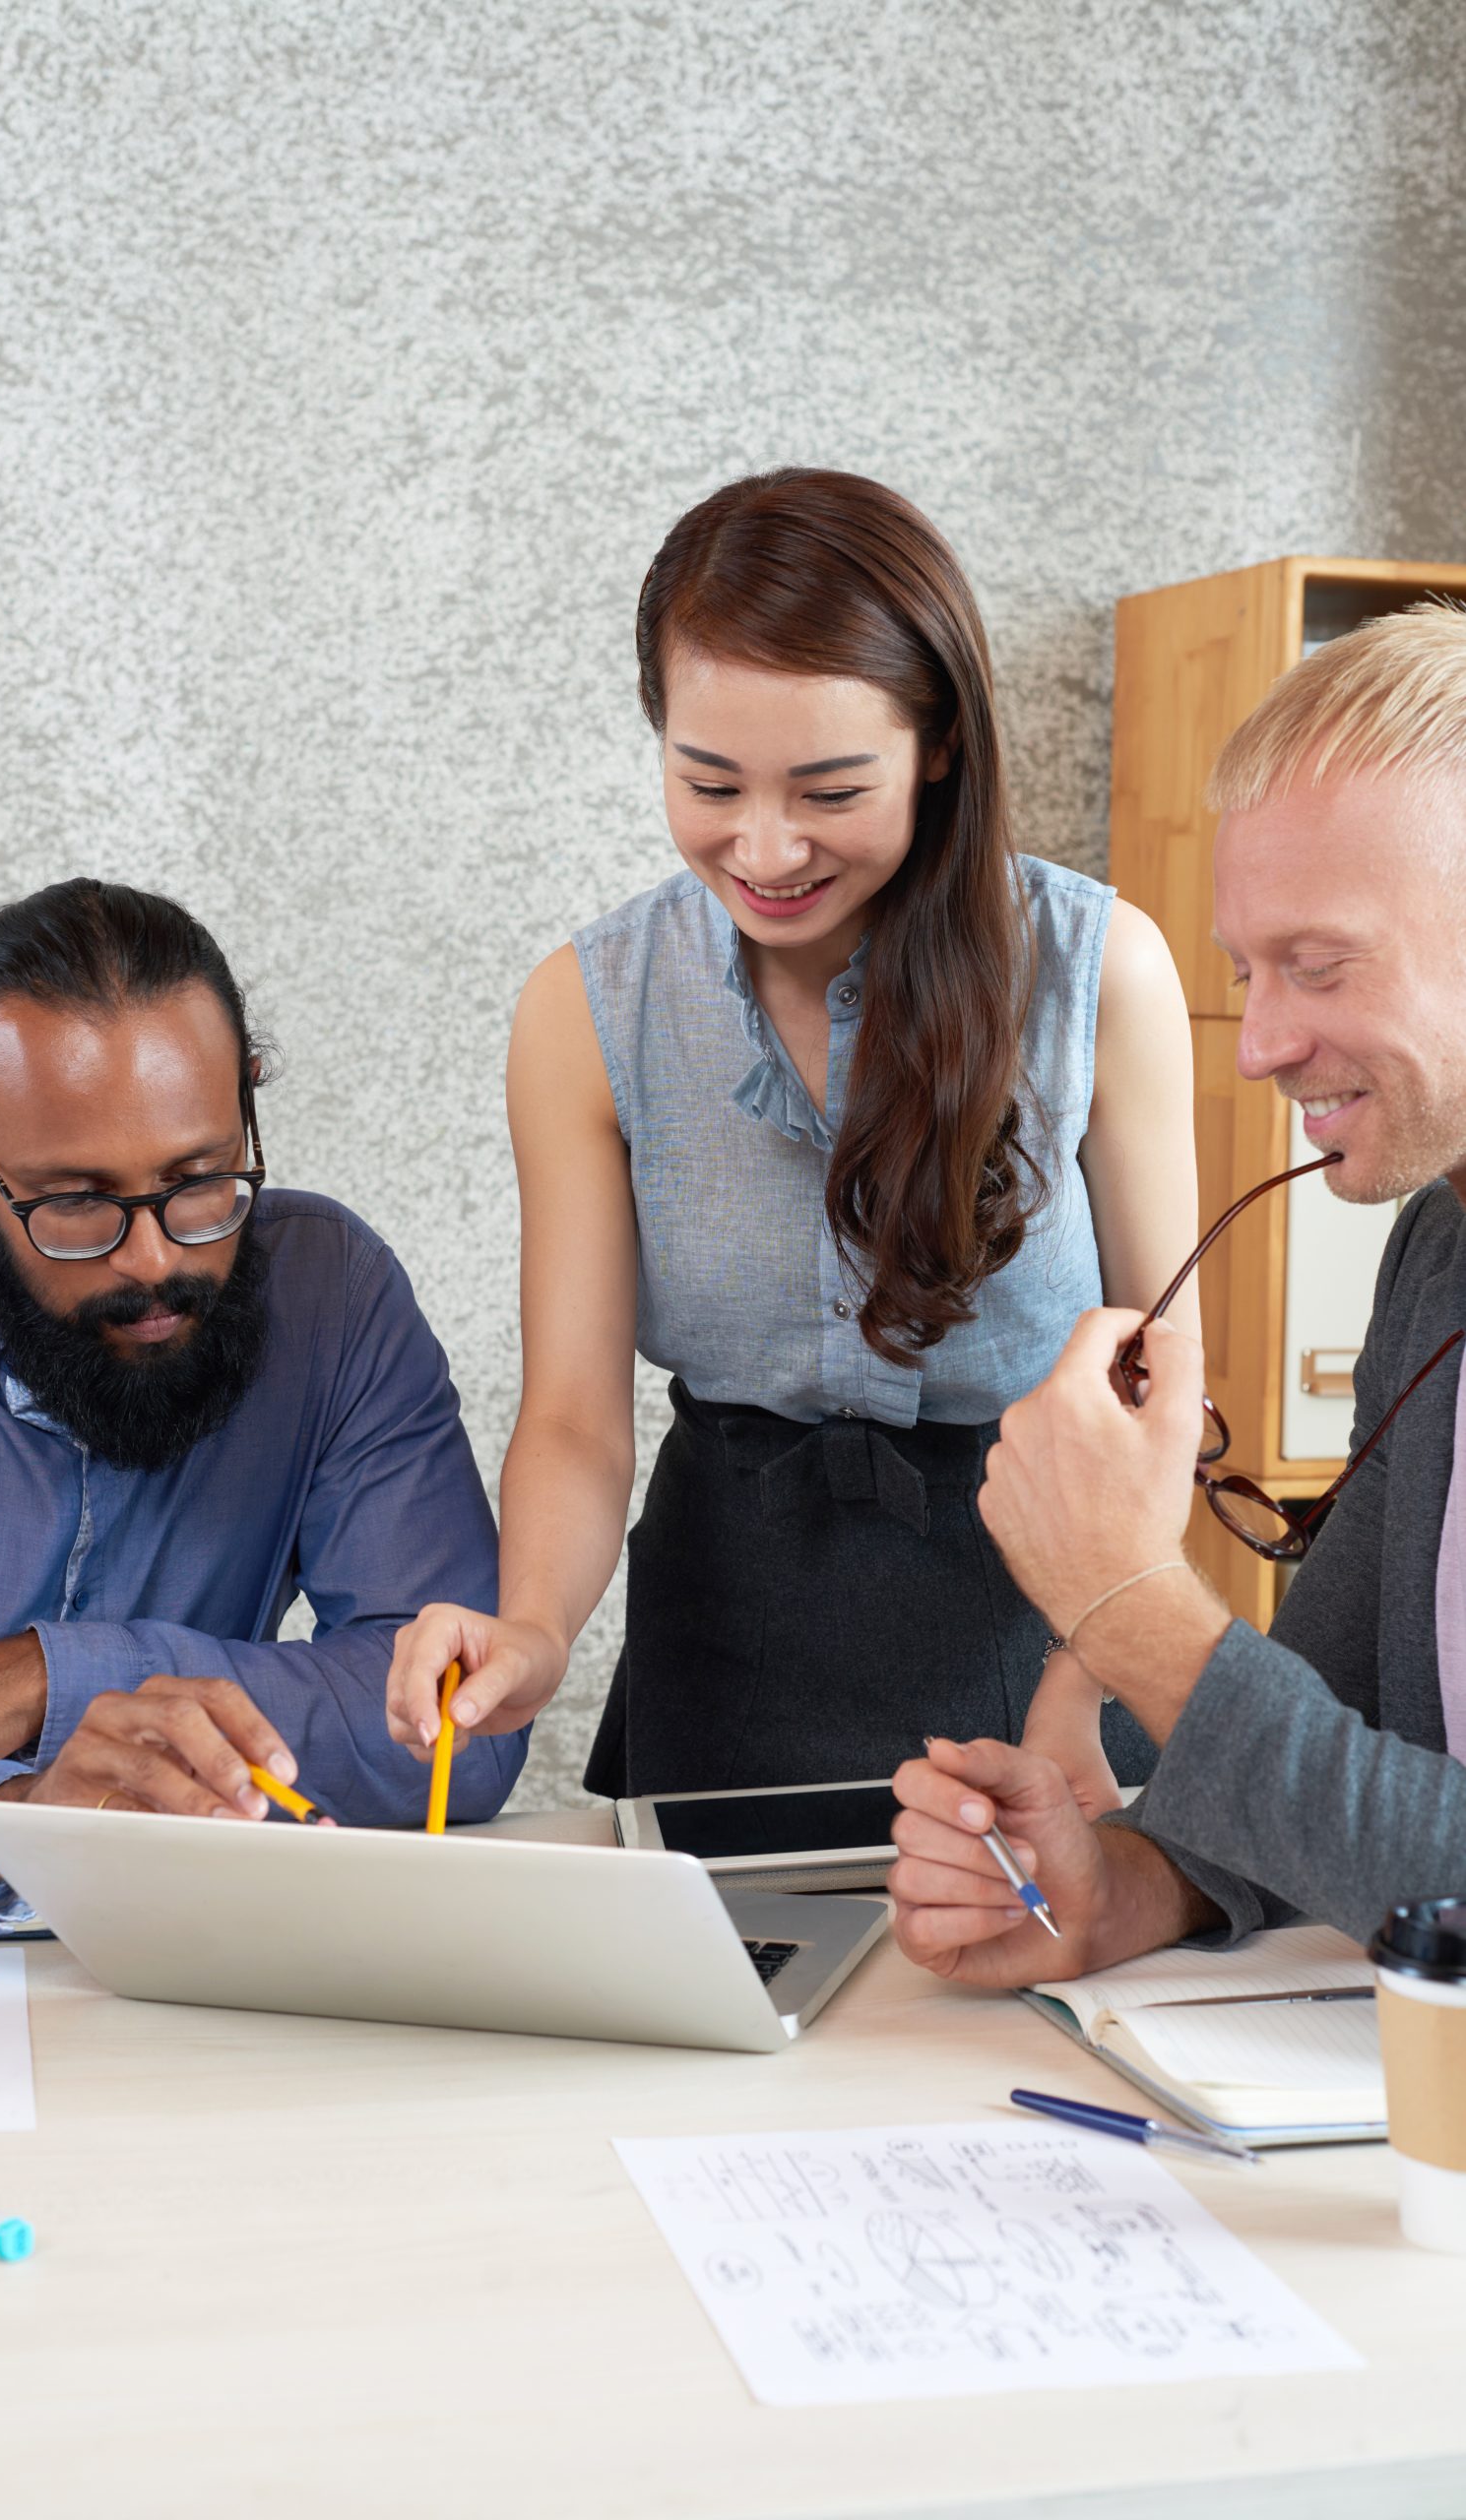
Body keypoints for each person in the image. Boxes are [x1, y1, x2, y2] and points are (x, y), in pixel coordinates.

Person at [388, 469, 1197, 1799]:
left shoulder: (1097, 971)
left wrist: (1081, 1686)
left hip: (1048, 1644)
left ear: (938, 743)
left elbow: (1165, 1401)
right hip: (726, 1649)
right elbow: (579, 1419)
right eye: (709, 783)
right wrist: (532, 1630)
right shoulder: (585, 1011)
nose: (763, 849)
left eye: (829, 791)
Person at [887, 602, 1466, 1983]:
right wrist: (1131, 1884)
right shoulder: (1437, 1250)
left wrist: (1128, 1605)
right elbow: (1339, 1727)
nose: (1260, 1043)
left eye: (1316, 967)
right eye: (1244, 974)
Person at [0, 878, 522, 1937]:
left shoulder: (336, 1293)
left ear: (247, 1097)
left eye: (199, 1177)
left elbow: (466, 1725)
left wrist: (56, 1679)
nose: (155, 1256)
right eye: (76, 1200)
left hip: (197, 1983)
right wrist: (30, 1820)